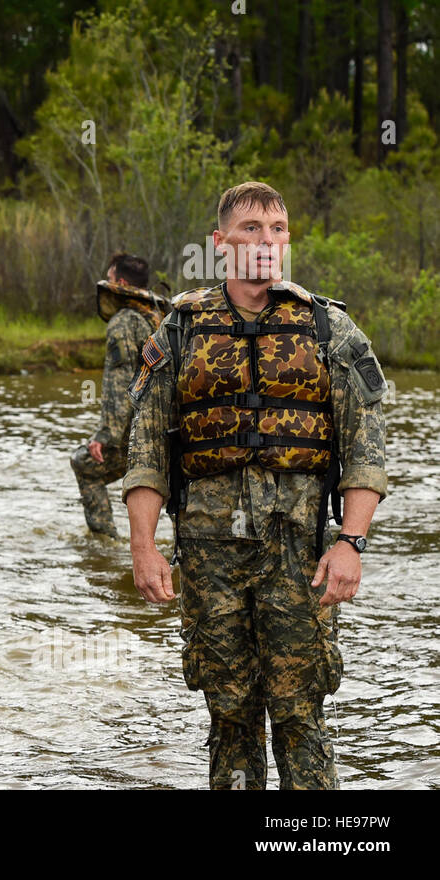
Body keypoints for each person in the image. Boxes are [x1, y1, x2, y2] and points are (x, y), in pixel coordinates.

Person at [123, 181, 388, 789]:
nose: (265, 241)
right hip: (210, 560)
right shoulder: (180, 331)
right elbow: (146, 450)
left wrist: (351, 542)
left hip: (299, 557)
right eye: (250, 229)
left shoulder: (329, 328)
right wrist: (143, 547)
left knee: (301, 715)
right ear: (220, 244)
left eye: (276, 229)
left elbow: (365, 449)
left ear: (287, 240)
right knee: (230, 714)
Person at [70, 252, 167, 537]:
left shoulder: (123, 322)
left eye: (110, 277)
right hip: (170, 426)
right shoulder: (161, 316)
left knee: (85, 465)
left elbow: (119, 381)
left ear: (120, 283)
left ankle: (103, 545)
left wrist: (105, 435)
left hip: (144, 429)